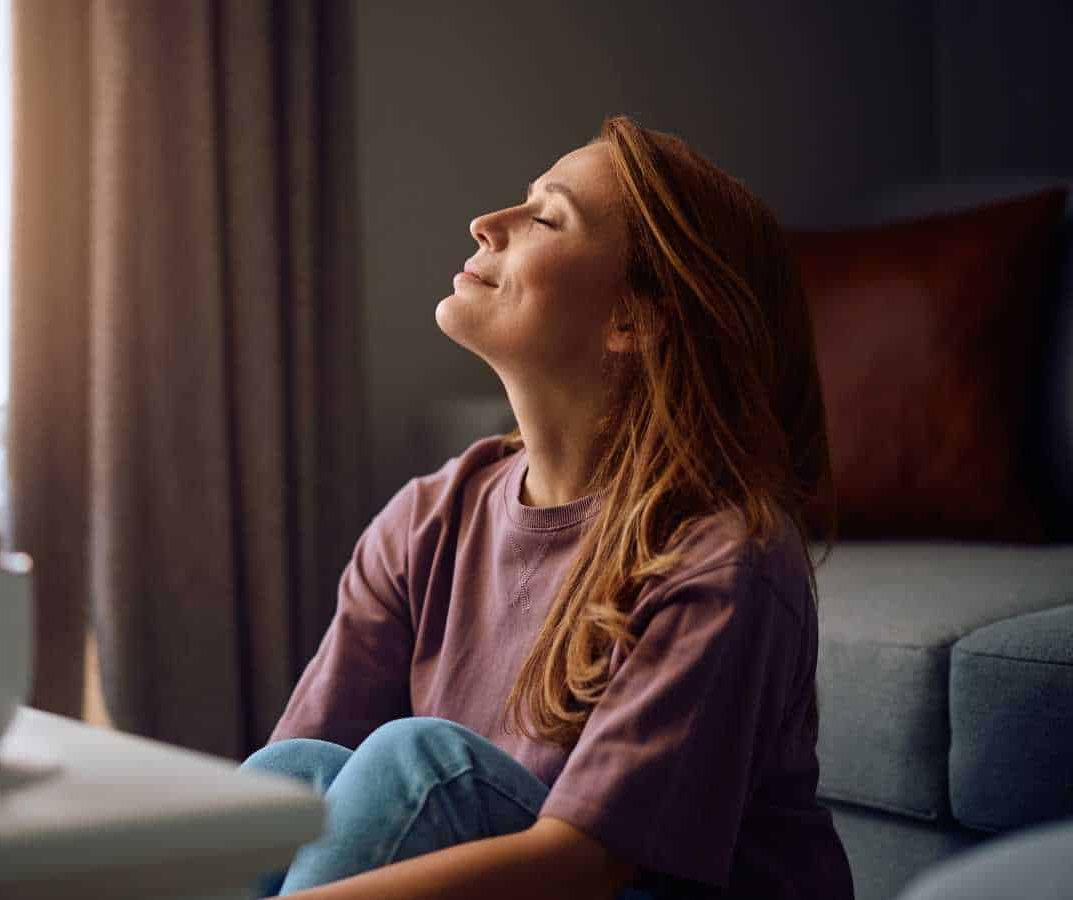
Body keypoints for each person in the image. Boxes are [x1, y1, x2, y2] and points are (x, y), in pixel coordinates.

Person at [240, 114, 855, 900]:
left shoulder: (724, 560)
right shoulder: (427, 520)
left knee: (424, 767)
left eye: (545, 217)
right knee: (294, 773)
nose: (485, 222)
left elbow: (580, 863)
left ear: (634, 319)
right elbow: (293, 802)